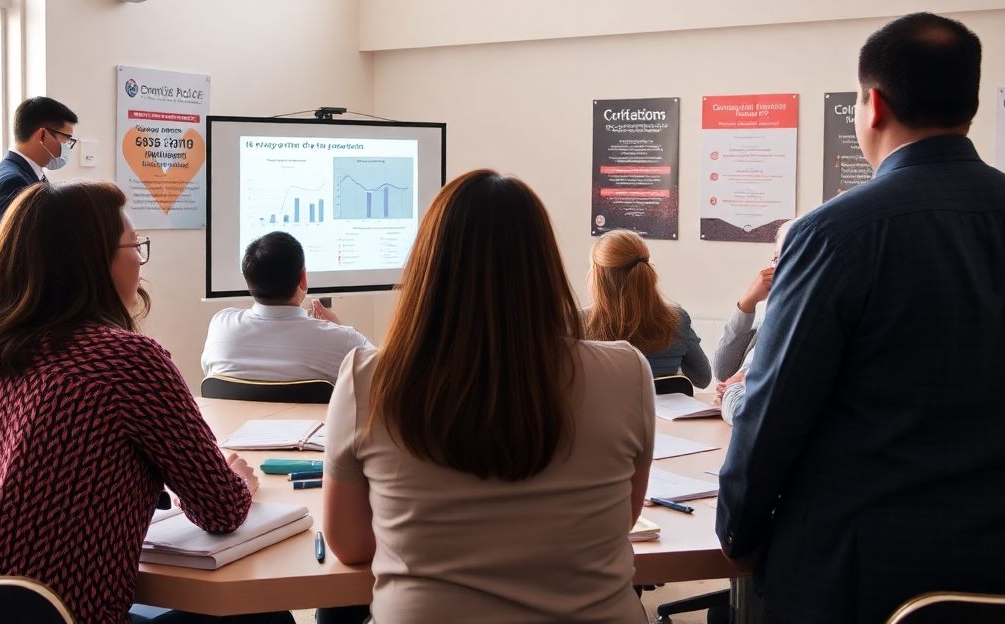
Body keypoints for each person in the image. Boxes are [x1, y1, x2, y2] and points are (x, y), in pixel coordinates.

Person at [715, 13, 1005, 623]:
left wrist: (736, 532)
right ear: (970, 103)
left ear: (873, 104)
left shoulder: (835, 234)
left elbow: (773, 414)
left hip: (867, 583)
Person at [0, 180, 292, 624]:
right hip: (68, 617)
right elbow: (221, 510)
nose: (139, 258)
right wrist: (236, 482)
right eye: (134, 245)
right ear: (94, 263)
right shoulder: (125, 362)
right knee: (262, 615)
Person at [323, 170, 654, 624]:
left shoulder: (368, 378)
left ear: (426, 267)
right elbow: (623, 520)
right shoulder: (626, 371)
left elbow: (350, 545)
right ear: (544, 265)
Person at [202, 231, 371, 384]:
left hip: (235, 419)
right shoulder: (345, 341)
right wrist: (336, 329)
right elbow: (385, 377)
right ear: (303, 279)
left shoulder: (220, 325)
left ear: (248, 281)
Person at [585, 229, 710, 388]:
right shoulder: (678, 320)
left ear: (598, 276)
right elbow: (702, 378)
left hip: (603, 413)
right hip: (661, 413)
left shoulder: (579, 323)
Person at [0, 96, 79, 267]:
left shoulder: (32, 175)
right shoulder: (12, 182)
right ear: (42, 135)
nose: (68, 145)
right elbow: (11, 257)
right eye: (66, 138)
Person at [711, 219, 794, 425]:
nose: (772, 268)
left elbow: (747, 414)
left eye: (780, 258)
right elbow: (723, 370)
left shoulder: (798, 319)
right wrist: (747, 303)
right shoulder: (775, 308)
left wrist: (733, 387)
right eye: (774, 259)